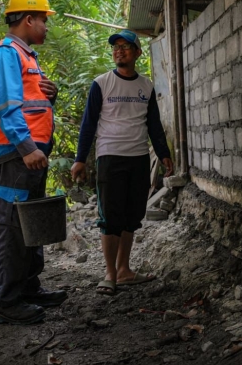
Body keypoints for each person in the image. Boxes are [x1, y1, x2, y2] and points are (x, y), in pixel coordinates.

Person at [0, 0, 67, 324]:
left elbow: (32, 106)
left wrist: (52, 95)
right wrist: (27, 148)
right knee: (14, 225)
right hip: (17, 154)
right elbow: (7, 108)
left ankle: (28, 288)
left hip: (30, 154)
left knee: (31, 222)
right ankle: (6, 302)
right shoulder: (5, 54)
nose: (47, 26)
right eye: (44, 20)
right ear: (28, 19)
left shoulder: (26, 56)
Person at [71, 29, 174, 296]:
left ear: (138, 52)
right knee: (110, 217)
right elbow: (88, 125)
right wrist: (80, 159)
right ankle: (109, 274)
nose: (120, 50)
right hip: (110, 157)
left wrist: (163, 153)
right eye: (116, 47)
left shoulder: (146, 86)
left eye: (126, 46)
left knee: (132, 216)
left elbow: (153, 123)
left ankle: (125, 270)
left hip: (139, 158)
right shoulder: (102, 84)